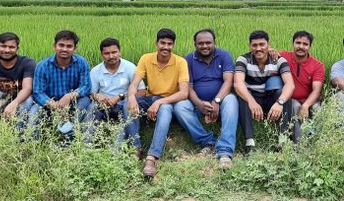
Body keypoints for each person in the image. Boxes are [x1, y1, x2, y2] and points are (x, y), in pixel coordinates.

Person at [126, 28, 189, 178]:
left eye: (169, 44)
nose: (166, 47)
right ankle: (136, 148)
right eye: (163, 43)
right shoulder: (146, 58)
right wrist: (131, 97)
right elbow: (134, 84)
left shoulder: (180, 62)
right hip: (151, 98)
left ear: (173, 45)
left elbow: (184, 93)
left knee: (165, 108)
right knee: (126, 104)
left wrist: (160, 102)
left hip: (169, 101)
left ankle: (152, 157)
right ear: (156, 43)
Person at [173, 29, 238, 168]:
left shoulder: (224, 55)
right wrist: (199, 104)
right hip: (197, 103)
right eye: (200, 43)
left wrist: (217, 101)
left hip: (221, 101)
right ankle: (208, 141)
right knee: (179, 106)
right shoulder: (189, 59)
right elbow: (188, 86)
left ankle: (225, 151)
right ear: (195, 44)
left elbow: (228, 82)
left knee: (232, 100)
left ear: (214, 42)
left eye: (208, 43)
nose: (204, 46)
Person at [234, 30, 295, 153]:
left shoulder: (278, 60)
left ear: (268, 44)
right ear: (250, 46)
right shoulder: (243, 59)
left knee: (284, 95)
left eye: (262, 44)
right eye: (254, 45)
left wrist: (280, 102)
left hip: (271, 98)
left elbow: (290, 84)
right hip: (253, 98)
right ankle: (249, 142)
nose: (258, 48)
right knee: (243, 95)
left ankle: (283, 140)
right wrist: (251, 101)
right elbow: (238, 83)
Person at [28, 30, 92, 141]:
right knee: (34, 113)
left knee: (84, 102)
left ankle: (72, 138)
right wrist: (54, 105)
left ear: (75, 48)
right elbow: (38, 92)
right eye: (61, 45)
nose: (64, 49)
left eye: (69, 46)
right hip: (49, 102)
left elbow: (86, 86)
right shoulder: (42, 66)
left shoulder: (82, 63)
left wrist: (69, 96)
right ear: (54, 46)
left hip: (74, 101)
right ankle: (33, 143)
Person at [88, 37, 146, 145]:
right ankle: (86, 144)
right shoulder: (96, 71)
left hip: (123, 104)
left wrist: (121, 96)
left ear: (119, 52)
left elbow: (142, 91)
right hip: (104, 106)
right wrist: (97, 96)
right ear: (102, 54)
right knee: (91, 107)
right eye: (107, 53)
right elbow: (90, 93)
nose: (111, 56)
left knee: (128, 105)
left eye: (114, 52)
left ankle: (136, 147)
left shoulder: (130, 67)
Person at [278, 30, 324, 143]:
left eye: (305, 44)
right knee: (294, 105)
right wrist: (271, 51)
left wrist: (306, 105)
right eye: (298, 43)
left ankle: (318, 144)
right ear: (293, 43)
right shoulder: (284, 56)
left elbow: (316, 91)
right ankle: (300, 145)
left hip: (311, 101)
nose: (301, 47)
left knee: (318, 109)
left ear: (310, 46)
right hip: (291, 100)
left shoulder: (317, 65)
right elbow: (266, 52)